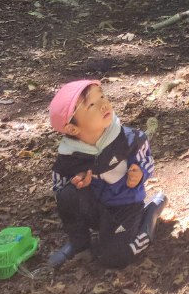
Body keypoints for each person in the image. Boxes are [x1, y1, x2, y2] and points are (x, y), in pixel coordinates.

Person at [47, 79, 166, 269]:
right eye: (91, 105)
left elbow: (147, 160)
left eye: (102, 96)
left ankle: (148, 217)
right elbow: (59, 187)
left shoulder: (127, 139)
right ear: (72, 128)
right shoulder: (69, 156)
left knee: (116, 256)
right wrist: (76, 183)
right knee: (67, 195)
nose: (103, 104)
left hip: (125, 205)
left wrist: (140, 174)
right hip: (95, 206)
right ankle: (78, 242)